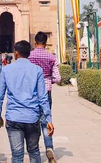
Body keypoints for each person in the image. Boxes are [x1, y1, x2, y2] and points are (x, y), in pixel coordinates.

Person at [0, 41, 55, 163]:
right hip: (32, 118)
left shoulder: (6, 70)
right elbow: (43, 97)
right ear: (29, 53)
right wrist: (48, 119)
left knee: (17, 155)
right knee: (34, 152)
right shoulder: (37, 70)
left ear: (16, 53)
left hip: (13, 117)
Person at [29, 32, 61, 163]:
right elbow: (58, 78)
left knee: (33, 122)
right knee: (46, 121)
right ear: (46, 42)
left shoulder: (29, 56)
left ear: (35, 43)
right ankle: (49, 147)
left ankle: (35, 150)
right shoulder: (51, 57)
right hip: (46, 91)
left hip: (32, 93)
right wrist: (49, 80)